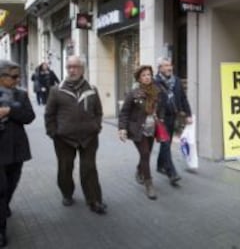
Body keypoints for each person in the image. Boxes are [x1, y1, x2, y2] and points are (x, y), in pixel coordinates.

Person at [44, 56, 107, 214]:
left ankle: (94, 200)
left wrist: (96, 126)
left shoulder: (92, 89)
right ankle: (67, 193)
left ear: (82, 69)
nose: (72, 70)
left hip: (89, 138)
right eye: (69, 67)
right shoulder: (56, 90)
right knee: (65, 168)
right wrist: (54, 133)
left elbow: (98, 111)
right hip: (64, 139)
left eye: (75, 67)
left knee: (89, 169)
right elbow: (49, 115)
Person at [0, 60, 35, 247]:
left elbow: (29, 116)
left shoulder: (21, 95)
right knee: (1, 189)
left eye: (18, 76)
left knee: (11, 184)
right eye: (13, 76)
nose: (17, 80)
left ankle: (4, 206)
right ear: (1, 77)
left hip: (17, 149)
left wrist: (9, 110)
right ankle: (1, 229)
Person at [118, 65, 164, 200]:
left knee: (147, 154)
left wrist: (160, 118)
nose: (147, 77)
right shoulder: (133, 94)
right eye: (144, 75)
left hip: (152, 128)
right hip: (138, 129)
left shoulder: (157, 91)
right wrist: (122, 128)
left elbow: (161, 107)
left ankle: (139, 169)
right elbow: (124, 112)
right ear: (139, 78)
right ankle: (149, 183)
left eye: (149, 74)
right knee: (144, 154)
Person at [154, 57, 192, 185]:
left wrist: (188, 114)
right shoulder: (155, 82)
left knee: (167, 143)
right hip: (160, 118)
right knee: (165, 144)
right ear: (159, 68)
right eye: (165, 65)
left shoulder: (176, 81)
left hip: (172, 117)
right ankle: (172, 173)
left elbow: (183, 98)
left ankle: (160, 165)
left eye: (170, 65)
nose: (169, 67)